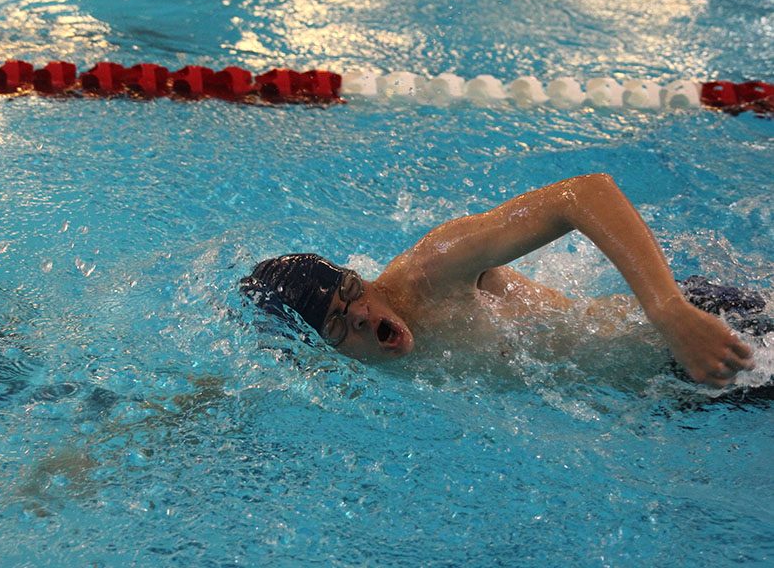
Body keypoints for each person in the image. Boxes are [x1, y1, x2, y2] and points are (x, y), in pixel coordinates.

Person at [241, 174, 765, 388]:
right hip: (667, 390)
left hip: (702, 331)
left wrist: (668, 312)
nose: (357, 313)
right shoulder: (341, 372)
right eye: (335, 322)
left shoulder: (432, 270)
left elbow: (582, 194)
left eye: (351, 291)